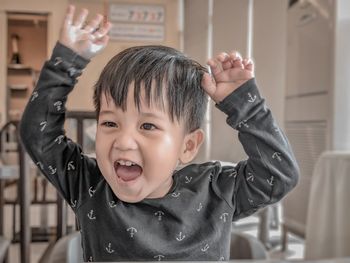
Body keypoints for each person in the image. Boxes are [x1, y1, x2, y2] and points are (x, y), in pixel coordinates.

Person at [19, 5, 299, 262]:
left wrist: (243, 104)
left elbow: (278, 174)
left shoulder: (214, 190)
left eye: (148, 126)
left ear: (188, 146)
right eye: (110, 123)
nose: (123, 141)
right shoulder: (90, 184)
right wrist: (65, 63)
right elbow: (38, 135)